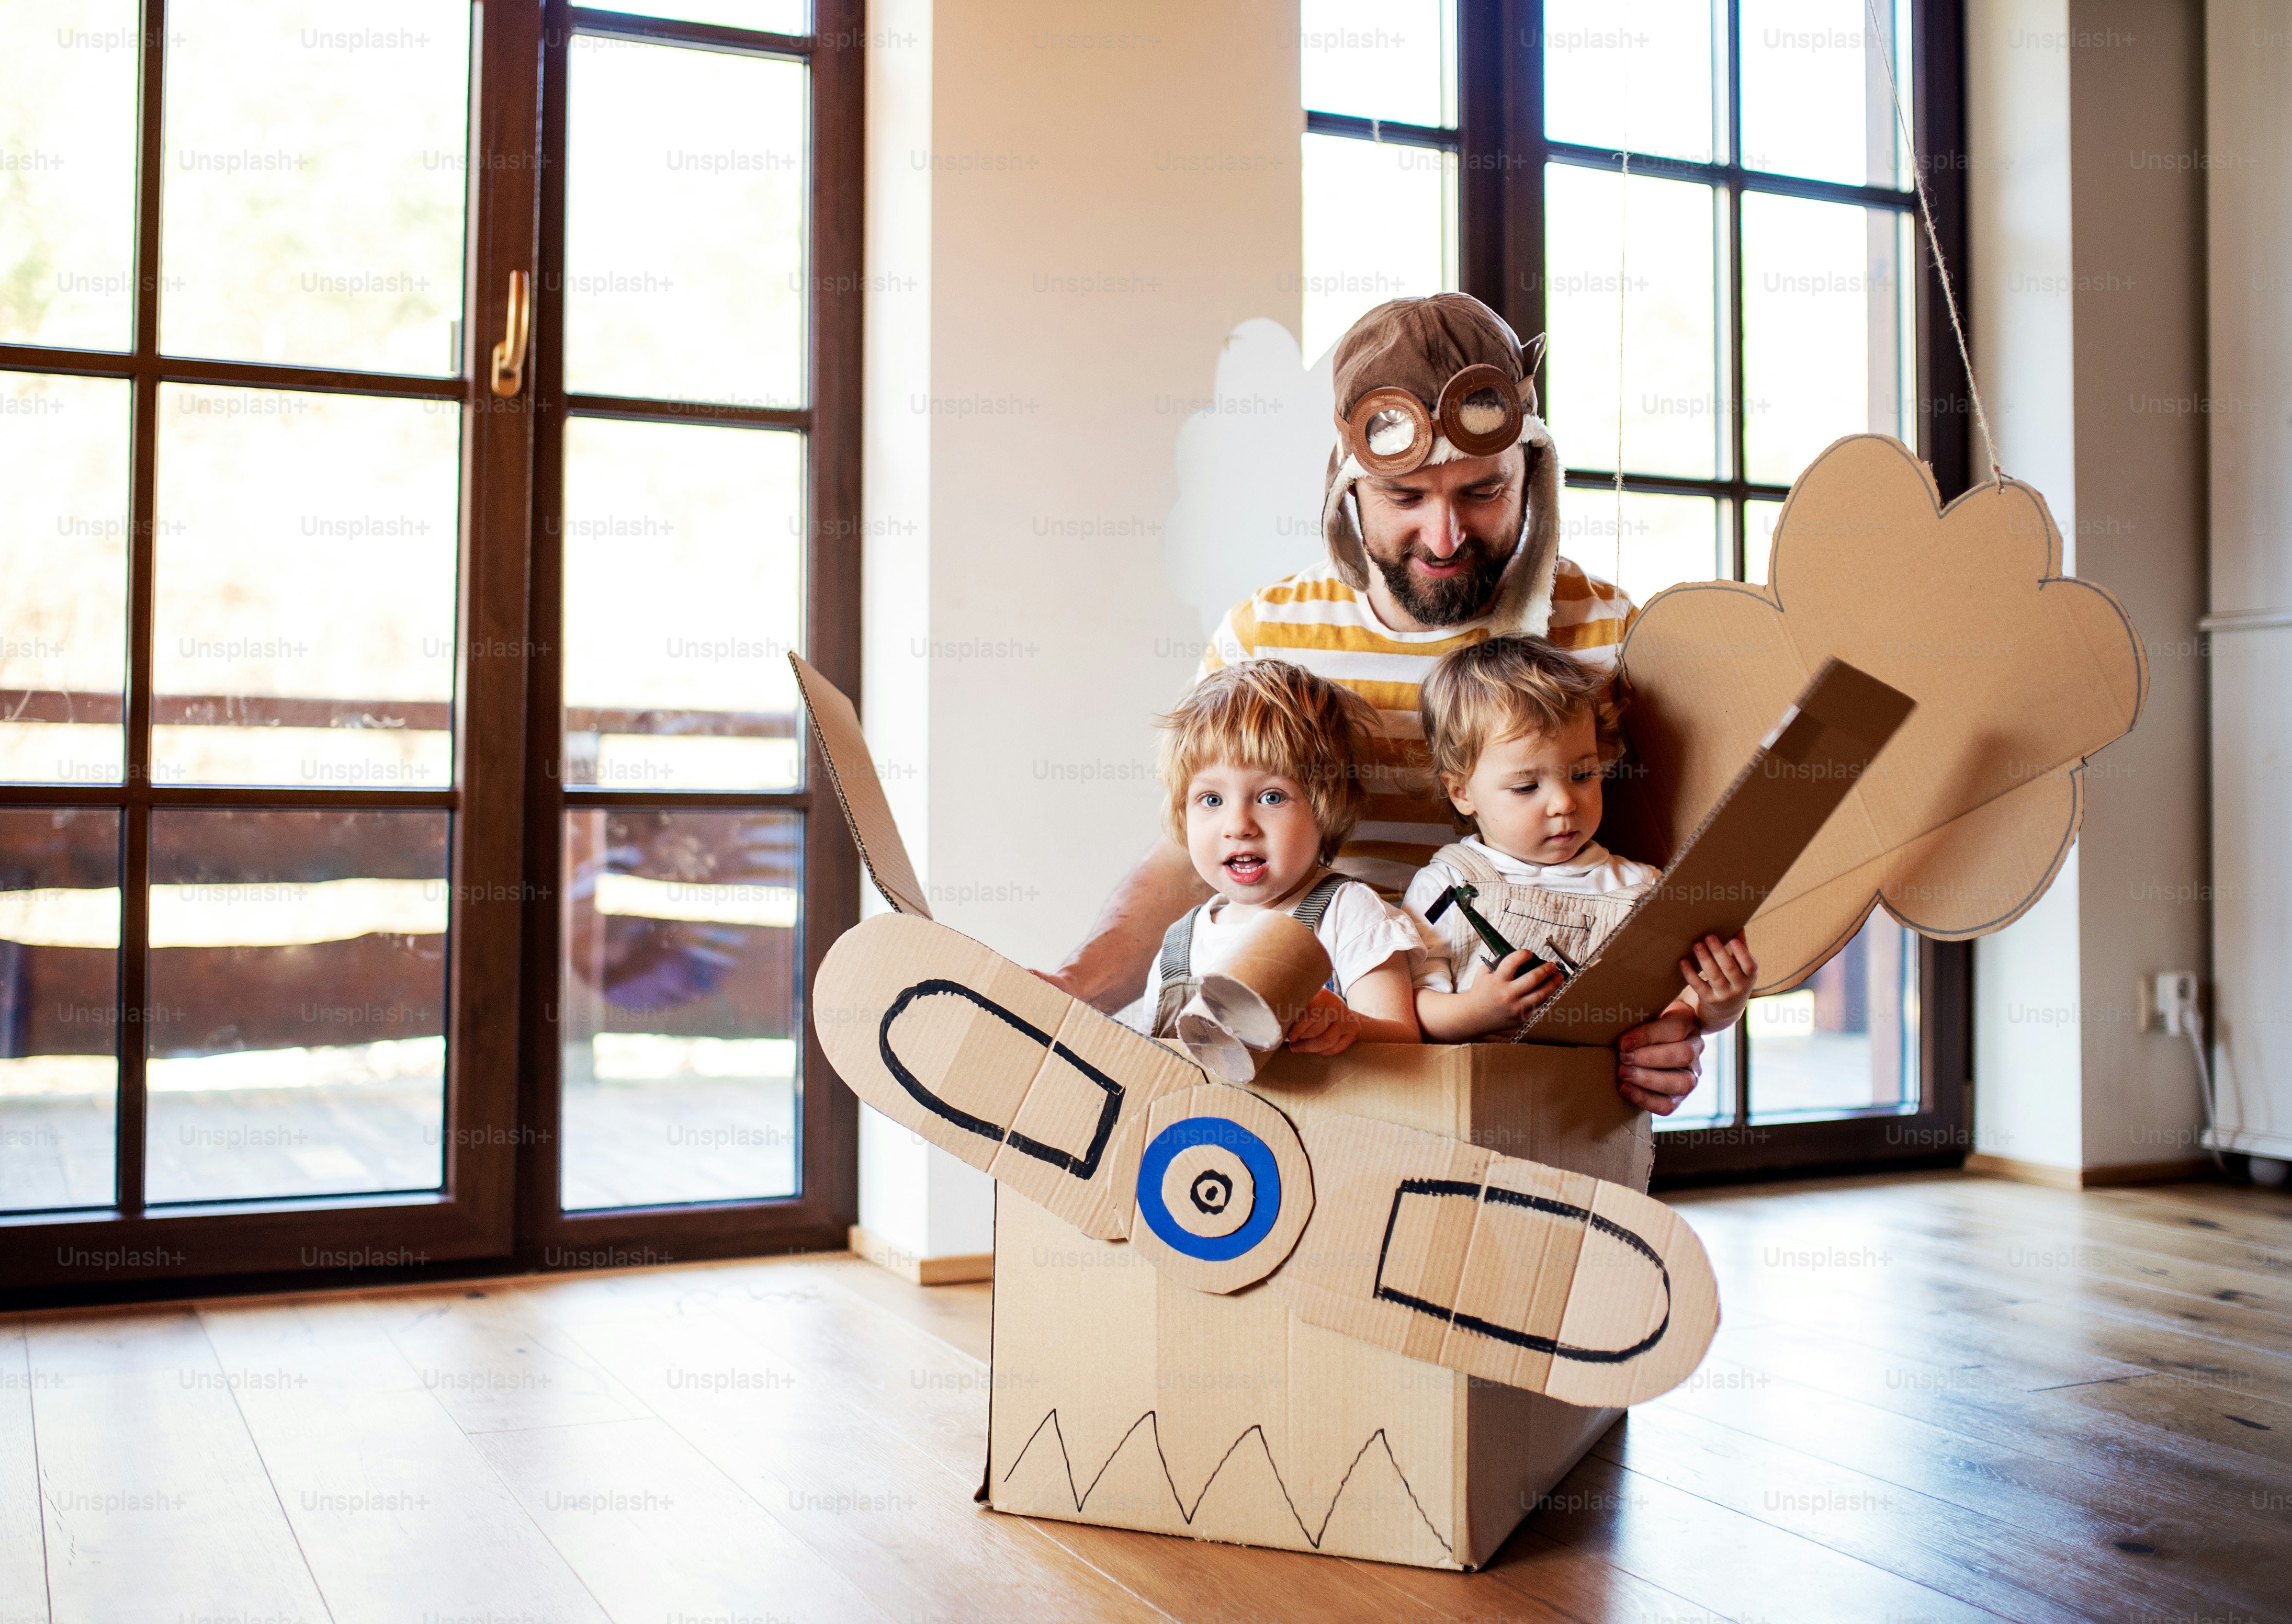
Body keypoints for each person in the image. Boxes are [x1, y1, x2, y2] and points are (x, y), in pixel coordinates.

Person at [1040, 291, 1710, 1116]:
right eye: (1405, 498)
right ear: (1348, 487)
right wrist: (1069, 988)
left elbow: (1667, 884)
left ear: (1531, 471)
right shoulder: (1267, 634)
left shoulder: (1608, 630)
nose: (1444, 536)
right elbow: (1196, 853)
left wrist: (1675, 1027)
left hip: (1536, 1074)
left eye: (1481, 492)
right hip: (1318, 1061)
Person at [1406, 635, 1756, 1042]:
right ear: (1461, 792)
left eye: (1582, 775)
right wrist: (1476, 1012)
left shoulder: (1642, 889)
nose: (1563, 803)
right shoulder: (1444, 884)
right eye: (1525, 786)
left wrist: (1722, 1004)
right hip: (1486, 1096)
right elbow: (1415, 1006)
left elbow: (1677, 1009)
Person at [1134, 659, 1421, 1055]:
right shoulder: (1177, 948)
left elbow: (1407, 1037)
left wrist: (1349, 1024)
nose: (1239, 825)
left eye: (1271, 797)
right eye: (1211, 799)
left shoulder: (1346, 912)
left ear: (1324, 807)